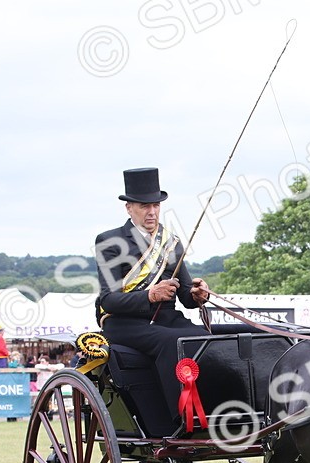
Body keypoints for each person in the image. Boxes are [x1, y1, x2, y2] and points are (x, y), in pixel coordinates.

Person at [95, 167, 230, 432]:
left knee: (206, 339)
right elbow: (108, 300)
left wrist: (198, 294)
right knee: (173, 341)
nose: (152, 212)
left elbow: (187, 296)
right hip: (124, 323)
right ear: (129, 208)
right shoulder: (110, 242)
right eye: (145, 206)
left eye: (156, 205)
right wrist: (149, 295)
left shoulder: (171, 243)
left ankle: (217, 413)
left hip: (168, 319)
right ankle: (180, 421)